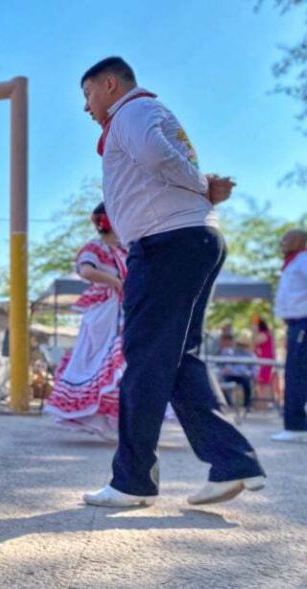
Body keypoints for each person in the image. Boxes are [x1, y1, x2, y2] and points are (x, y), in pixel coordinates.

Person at [78, 56, 265, 508]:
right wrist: (201, 186)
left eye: (87, 95)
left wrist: (201, 184)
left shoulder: (132, 111)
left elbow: (159, 156)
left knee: (143, 358)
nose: (86, 108)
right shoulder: (145, 114)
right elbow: (163, 161)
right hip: (186, 239)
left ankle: (132, 480)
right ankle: (232, 461)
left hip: (166, 243)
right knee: (179, 359)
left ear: (109, 85)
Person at [44, 203, 127, 441]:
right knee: (100, 361)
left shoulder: (125, 249)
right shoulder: (95, 247)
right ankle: (100, 419)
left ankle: (115, 422)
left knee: (120, 363)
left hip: (122, 309)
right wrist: (114, 281)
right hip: (104, 312)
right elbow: (86, 271)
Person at [271, 229, 307, 443]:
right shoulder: (292, 263)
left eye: (287, 238)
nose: (282, 241)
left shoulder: (303, 260)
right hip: (296, 324)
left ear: (302, 241)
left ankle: (296, 426)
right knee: (296, 372)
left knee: (295, 374)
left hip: (303, 323)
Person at [219, 332, 258, 413]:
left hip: (243, 376)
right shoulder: (229, 352)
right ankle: (228, 404)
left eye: (243, 345)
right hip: (231, 375)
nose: (241, 347)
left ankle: (246, 406)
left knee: (247, 385)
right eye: (240, 344)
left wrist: (249, 373)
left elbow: (255, 369)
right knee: (222, 383)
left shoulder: (251, 355)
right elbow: (223, 364)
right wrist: (226, 368)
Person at [252, 316, 275, 403]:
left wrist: (254, 332)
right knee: (262, 382)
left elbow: (254, 343)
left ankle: (263, 403)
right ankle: (263, 403)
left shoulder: (263, 334)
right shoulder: (266, 333)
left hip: (265, 362)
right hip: (263, 361)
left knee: (263, 382)